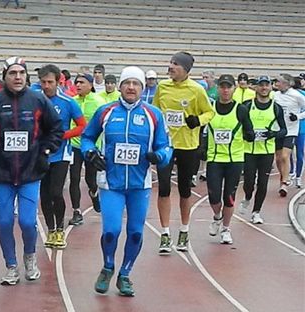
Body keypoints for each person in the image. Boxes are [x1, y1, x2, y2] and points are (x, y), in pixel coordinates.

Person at [81, 66, 172, 296]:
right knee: (111, 230)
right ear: (120, 86)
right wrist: (90, 153)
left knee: (135, 233)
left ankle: (125, 273)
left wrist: (159, 156)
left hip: (139, 185)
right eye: (127, 83)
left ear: (142, 88)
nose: (131, 87)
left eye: (136, 84)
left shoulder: (153, 115)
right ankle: (108, 266)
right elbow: (87, 137)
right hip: (111, 183)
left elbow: (165, 146)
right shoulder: (106, 111)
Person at [0, 57, 63, 285]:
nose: (17, 77)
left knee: (26, 221)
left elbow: (56, 129)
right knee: (4, 222)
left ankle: (30, 257)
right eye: (12, 73)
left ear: (26, 76)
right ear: (5, 76)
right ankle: (11, 265)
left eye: (21, 73)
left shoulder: (39, 100)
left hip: (30, 172)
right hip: (2, 173)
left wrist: (45, 152)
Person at [153, 51, 215, 253]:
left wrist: (198, 121)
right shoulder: (162, 87)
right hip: (166, 145)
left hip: (188, 145)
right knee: (163, 188)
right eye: (170, 62)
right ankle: (164, 233)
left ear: (186, 69)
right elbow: (154, 112)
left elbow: (209, 112)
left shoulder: (197, 90)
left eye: (175, 64)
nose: (170, 66)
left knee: (185, 189)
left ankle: (184, 230)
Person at [38, 64, 86, 249]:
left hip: (61, 154)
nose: (46, 86)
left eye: (50, 82)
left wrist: (62, 135)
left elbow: (82, 126)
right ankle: (50, 229)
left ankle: (59, 228)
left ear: (59, 82)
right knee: (44, 193)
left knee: (56, 192)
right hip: (40, 154)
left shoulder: (68, 102)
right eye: (43, 82)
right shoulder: (35, 100)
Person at [205, 74, 254, 244]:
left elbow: (249, 131)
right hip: (214, 158)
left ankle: (226, 229)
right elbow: (203, 130)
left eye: (228, 87)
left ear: (234, 89)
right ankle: (217, 216)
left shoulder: (241, 109)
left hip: (234, 159)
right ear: (217, 89)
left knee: (229, 196)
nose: (225, 90)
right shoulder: (210, 108)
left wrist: (250, 135)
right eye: (222, 87)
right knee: (213, 196)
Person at [239, 75, 287, 224]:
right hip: (248, 150)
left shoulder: (276, 107)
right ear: (256, 87)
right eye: (261, 85)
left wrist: (273, 134)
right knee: (248, 182)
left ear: (271, 87)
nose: (264, 88)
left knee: (263, 182)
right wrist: (247, 135)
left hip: (266, 151)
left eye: (267, 85)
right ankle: (247, 197)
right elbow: (238, 126)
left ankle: (256, 212)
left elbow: (284, 130)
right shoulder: (246, 106)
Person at [69, 73, 105, 226]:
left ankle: (94, 193)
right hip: (75, 146)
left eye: (82, 83)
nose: (78, 85)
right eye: (76, 82)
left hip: (91, 147)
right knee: (74, 178)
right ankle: (76, 211)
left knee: (91, 179)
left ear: (90, 85)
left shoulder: (99, 102)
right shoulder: (72, 101)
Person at [273, 73, 305, 196]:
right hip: (278, 130)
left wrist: (297, 116)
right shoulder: (274, 95)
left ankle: (285, 183)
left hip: (291, 130)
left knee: (286, 156)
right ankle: (283, 177)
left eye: (279, 82)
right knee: (279, 158)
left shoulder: (296, 95)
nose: (277, 84)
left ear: (286, 83)